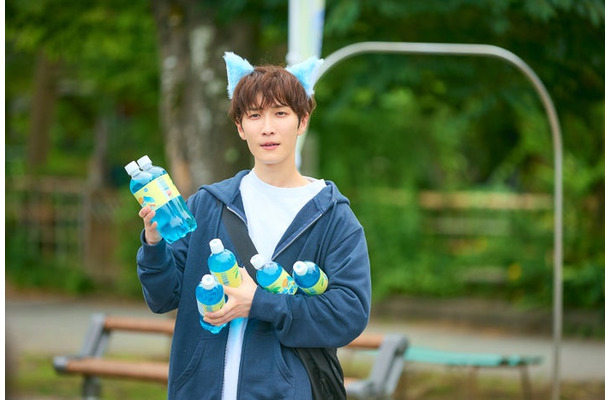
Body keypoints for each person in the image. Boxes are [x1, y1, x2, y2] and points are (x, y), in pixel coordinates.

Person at [136, 51, 371, 400]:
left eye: (281, 113)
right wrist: (154, 244)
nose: (268, 128)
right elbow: (163, 297)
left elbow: (348, 314)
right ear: (240, 127)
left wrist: (260, 302)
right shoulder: (208, 204)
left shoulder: (332, 216)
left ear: (302, 121)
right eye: (255, 115)